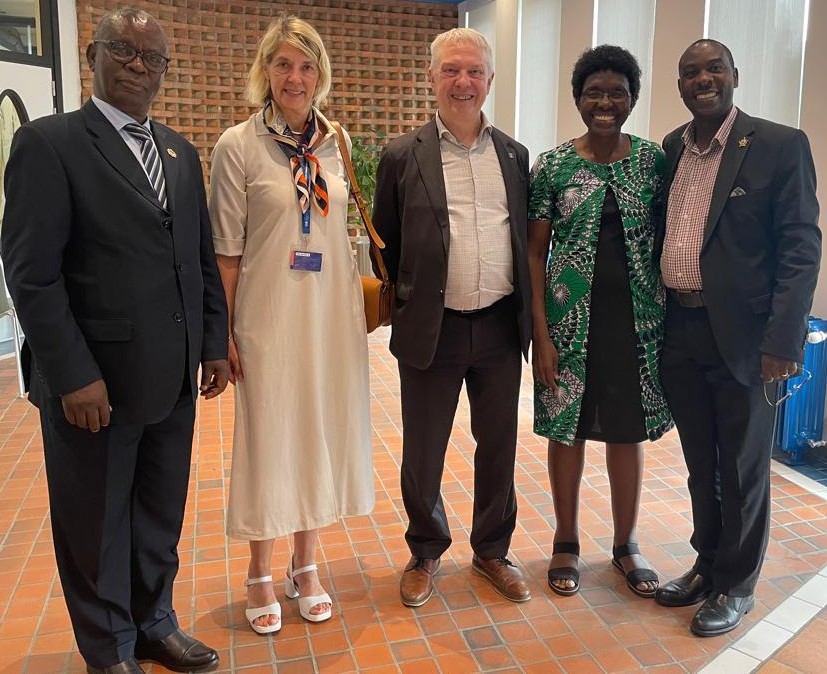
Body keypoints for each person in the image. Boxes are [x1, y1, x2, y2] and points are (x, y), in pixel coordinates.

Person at [1, 8, 229, 674]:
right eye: (123, 51)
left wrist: (212, 342)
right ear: (91, 56)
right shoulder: (50, 145)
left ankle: (155, 624)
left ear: (164, 70)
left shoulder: (181, 153)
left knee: (158, 515)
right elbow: (30, 274)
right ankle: (109, 649)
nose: (138, 64)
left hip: (173, 378)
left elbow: (199, 257)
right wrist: (72, 374)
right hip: (93, 386)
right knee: (94, 523)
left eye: (152, 56)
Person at [209, 15, 374, 634]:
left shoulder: (338, 143)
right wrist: (221, 335)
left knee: (317, 433)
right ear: (265, 74)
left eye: (306, 66)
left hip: (328, 315)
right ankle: (259, 570)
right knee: (269, 438)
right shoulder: (238, 146)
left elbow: (342, 236)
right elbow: (226, 253)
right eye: (283, 65)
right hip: (267, 316)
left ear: (320, 75)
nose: (295, 77)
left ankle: (306, 566)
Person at [654, 39, 821, 637]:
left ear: (734, 76)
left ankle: (737, 584)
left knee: (744, 467)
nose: (703, 79)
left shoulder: (778, 145)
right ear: (679, 83)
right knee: (702, 463)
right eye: (690, 71)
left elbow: (801, 249)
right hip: (681, 329)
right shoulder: (673, 148)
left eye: (714, 69)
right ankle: (707, 564)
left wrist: (784, 340)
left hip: (747, 339)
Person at [372, 27, 532, 608]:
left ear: (490, 80)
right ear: (432, 78)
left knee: (498, 446)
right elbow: (382, 242)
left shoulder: (514, 155)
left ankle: (492, 549)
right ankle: (425, 548)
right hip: (431, 328)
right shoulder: (400, 155)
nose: (462, 82)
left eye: (474, 71)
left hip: (497, 325)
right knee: (423, 449)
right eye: (451, 70)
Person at [528, 45, 672, 599]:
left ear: (632, 99)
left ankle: (626, 543)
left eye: (617, 92)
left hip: (638, 327)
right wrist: (539, 334)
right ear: (578, 100)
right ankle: (565, 539)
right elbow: (535, 253)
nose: (605, 102)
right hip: (567, 328)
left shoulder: (651, 161)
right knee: (567, 432)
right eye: (594, 92)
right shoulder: (554, 165)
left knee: (626, 432)